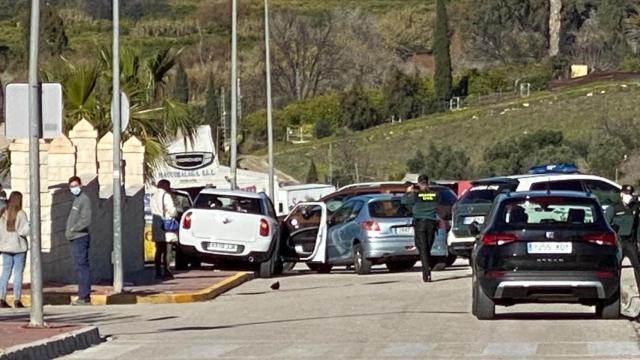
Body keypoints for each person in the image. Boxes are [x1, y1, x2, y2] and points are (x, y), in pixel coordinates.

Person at [402, 174, 441, 282]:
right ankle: (427, 268)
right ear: (428, 182)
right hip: (431, 223)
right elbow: (438, 203)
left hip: (420, 223)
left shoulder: (415, 195)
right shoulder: (435, 194)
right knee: (427, 247)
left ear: (419, 183)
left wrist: (409, 192)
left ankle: (426, 271)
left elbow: (404, 202)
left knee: (422, 248)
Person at [65, 176, 93, 306]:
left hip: (80, 237)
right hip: (74, 237)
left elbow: (86, 220)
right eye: (71, 187)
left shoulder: (84, 199)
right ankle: (83, 295)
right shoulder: (76, 200)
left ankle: (84, 296)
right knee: (79, 266)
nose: (74, 189)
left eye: (75, 186)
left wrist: (73, 229)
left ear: (80, 186)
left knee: (82, 266)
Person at [0, 192, 29, 308]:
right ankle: (17, 300)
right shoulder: (21, 214)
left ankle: (1, 298)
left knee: (5, 273)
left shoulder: (2, 213)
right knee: (18, 274)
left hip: (5, 247)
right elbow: (23, 232)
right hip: (19, 248)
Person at [611, 184, 640, 293]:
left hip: (630, 241)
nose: (629, 196)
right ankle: (614, 291)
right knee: (615, 267)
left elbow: (637, 226)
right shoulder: (614, 207)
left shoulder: (635, 207)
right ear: (621, 194)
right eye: (626, 194)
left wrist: (638, 241)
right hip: (618, 241)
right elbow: (608, 225)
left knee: (637, 265)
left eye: (630, 194)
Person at [151, 179, 177, 279]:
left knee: (158, 249)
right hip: (166, 224)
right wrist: (175, 213)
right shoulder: (166, 196)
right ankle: (167, 270)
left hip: (156, 222)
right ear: (165, 186)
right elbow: (172, 211)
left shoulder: (153, 196)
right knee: (168, 249)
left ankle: (157, 271)